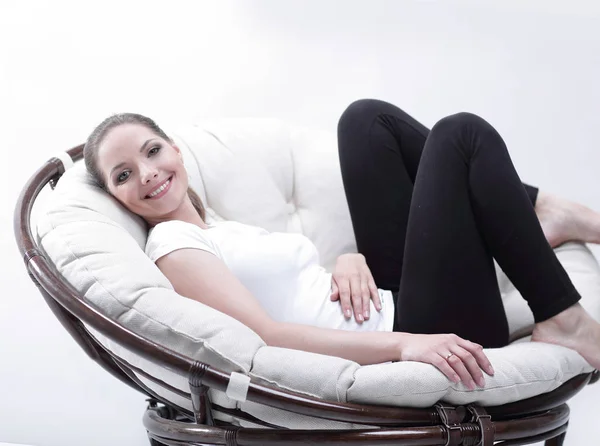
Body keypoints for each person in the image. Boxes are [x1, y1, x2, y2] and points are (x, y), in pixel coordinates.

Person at [83, 99, 600, 392]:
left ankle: (540, 211)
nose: (148, 174)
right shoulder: (174, 244)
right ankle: (563, 315)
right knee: (461, 135)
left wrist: (347, 262)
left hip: (395, 300)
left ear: (175, 148)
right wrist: (405, 345)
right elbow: (266, 335)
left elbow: (292, 288)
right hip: (420, 330)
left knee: (365, 121)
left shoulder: (214, 225)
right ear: (115, 197)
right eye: (125, 174)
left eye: (153, 151)